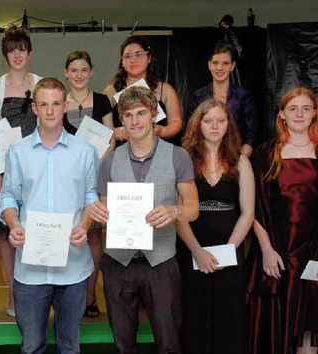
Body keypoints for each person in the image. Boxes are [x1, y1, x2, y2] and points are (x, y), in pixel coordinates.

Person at [88, 86, 199, 354]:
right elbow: (105, 207)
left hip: (161, 263)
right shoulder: (109, 162)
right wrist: (98, 213)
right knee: (123, 345)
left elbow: (193, 207)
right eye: (128, 115)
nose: (135, 121)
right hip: (118, 263)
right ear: (121, 121)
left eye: (141, 113)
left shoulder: (177, 156)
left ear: (153, 116)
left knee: (169, 342)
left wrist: (175, 211)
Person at [0, 77, 98, 354]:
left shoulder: (85, 151)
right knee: (31, 347)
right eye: (44, 104)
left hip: (74, 266)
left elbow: (92, 198)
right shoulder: (17, 152)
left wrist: (85, 224)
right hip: (31, 270)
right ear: (34, 108)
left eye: (56, 103)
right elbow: (8, 196)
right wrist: (13, 223)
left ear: (66, 105)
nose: (51, 111)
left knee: (70, 347)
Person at [247, 87, 318, 354]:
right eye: (293, 108)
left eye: (306, 108)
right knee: (277, 325)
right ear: (282, 115)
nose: (299, 114)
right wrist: (267, 251)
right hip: (277, 253)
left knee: (311, 327)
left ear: (315, 113)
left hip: (316, 250)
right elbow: (255, 208)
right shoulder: (266, 154)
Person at [177, 99, 254, 354]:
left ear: (228, 125)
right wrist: (197, 251)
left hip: (229, 251)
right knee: (194, 316)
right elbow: (178, 212)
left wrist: (228, 251)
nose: (214, 126)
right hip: (192, 248)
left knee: (229, 317)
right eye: (208, 120)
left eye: (221, 120)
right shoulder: (184, 159)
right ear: (198, 124)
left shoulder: (241, 161)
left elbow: (248, 212)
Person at [0, 25, 42, 317]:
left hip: (36, 169)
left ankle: (35, 293)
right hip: (5, 170)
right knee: (6, 233)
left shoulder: (42, 83)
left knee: (33, 228)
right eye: (11, 50)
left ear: (29, 52)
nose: (16, 54)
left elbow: (51, 125)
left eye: (21, 49)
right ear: (5, 54)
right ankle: (14, 294)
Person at [63, 50, 114, 318]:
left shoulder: (103, 101)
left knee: (93, 235)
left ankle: (90, 296)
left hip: (96, 176)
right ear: (66, 73)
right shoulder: (61, 103)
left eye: (84, 70)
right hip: (69, 178)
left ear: (91, 72)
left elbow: (111, 140)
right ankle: (69, 295)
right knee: (72, 232)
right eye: (74, 70)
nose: (79, 75)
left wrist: (98, 169)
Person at [103, 35, 183, 144]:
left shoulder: (165, 90)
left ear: (149, 58)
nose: (133, 60)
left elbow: (176, 122)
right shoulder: (111, 90)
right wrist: (121, 133)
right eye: (127, 56)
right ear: (122, 62)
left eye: (138, 54)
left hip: (158, 148)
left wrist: (161, 131)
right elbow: (101, 128)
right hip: (122, 151)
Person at [187, 40, 257, 157]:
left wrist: (241, 159)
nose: (220, 68)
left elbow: (251, 135)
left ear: (232, 66)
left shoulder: (243, 96)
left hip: (235, 156)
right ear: (209, 65)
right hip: (205, 157)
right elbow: (191, 131)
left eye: (225, 63)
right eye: (215, 63)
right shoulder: (198, 96)